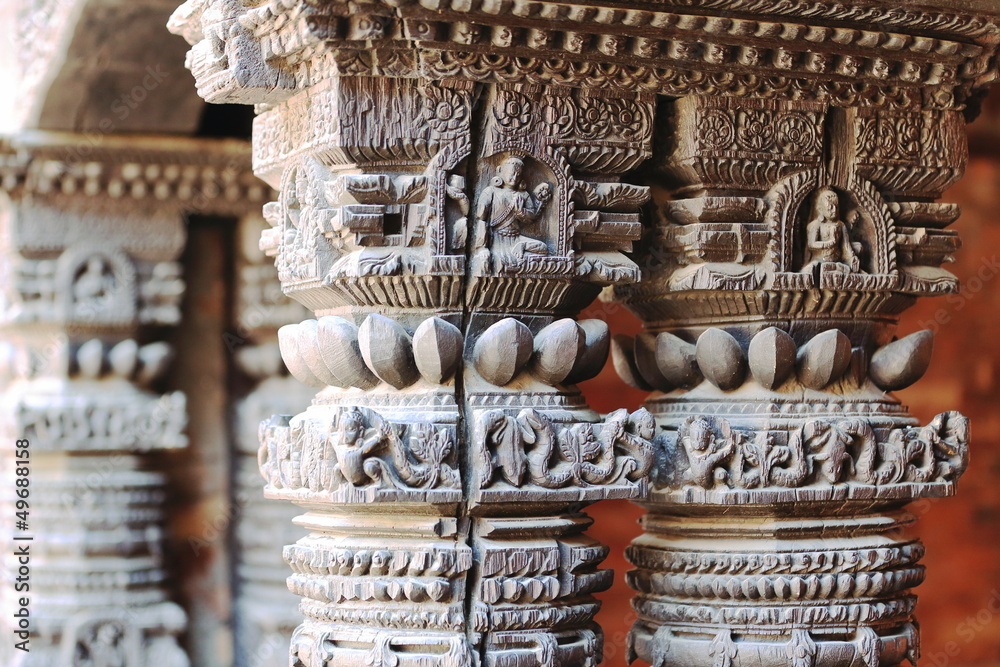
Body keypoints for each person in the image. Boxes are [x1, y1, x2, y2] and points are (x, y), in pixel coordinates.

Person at [474, 157, 552, 270]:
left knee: (543, 247)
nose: (515, 178)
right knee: (494, 261)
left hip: (516, 238)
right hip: (496, 238)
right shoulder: (491, 191)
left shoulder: (523, 194)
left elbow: (531, 217)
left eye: (518, 175)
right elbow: (482, 219)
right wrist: (482, 248)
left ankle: (522, 246)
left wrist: (521, 211)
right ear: (500, 171)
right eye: (511, 174)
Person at [801, 187, 861, 275]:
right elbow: (811, 244)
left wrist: (852, 257)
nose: (834, 210)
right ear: (821, 209)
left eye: (836, 207)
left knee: (857, 249)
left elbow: (845, 245)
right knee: (813, 269)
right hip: (820, 261)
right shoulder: (816, 225)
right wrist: (829, 243)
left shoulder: (840, 225)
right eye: (830, 208)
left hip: (836, 261)